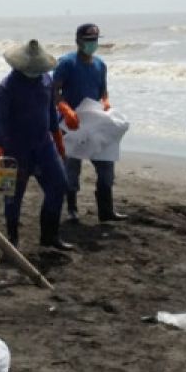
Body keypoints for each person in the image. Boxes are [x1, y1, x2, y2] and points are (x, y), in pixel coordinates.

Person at [0, 39, 73, 251]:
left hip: (44, 146)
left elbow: (51, 116)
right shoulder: (5, 88)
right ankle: (12, 238)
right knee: (12, 196)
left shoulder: (46, 80)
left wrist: (59, 140)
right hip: (14, 149)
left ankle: (49, 235)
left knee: (59, 186)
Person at [53, 23, 127, 224]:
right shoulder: (66, 63)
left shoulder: (100, 65)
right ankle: (72, 209)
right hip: (71, 124)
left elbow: (103, 91)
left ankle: (106, 210)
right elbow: (54, 91)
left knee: (106, 167)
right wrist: (65, 110)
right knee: (71, 169)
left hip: (95, 122)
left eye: (95, 40)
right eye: (88, 41)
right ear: (78, 41)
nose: (92, 44)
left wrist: (105, 102)